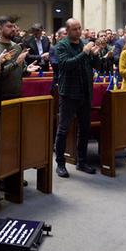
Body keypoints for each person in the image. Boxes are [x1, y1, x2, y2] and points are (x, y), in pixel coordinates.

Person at [53, 18, 101, 177]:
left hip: (85, 92)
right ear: (67, 31)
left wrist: (95, 56)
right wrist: (85, 52)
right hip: (68, 93)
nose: (79, 32)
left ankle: (82, 161)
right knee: (63, 129)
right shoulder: (61, 46)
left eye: (80, 28)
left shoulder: (84, 43)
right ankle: (60, 163)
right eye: (75, 29)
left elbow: (96, 66)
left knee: (85, 128)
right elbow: (67, 65)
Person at [0, 17, 38, 101]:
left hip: (17, 95)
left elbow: (20, 71)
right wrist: (16, 63)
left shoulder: (17, 47)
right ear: (0, 28)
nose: (13, 29)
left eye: (14, 26)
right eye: (9, 26)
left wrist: (26, 70)